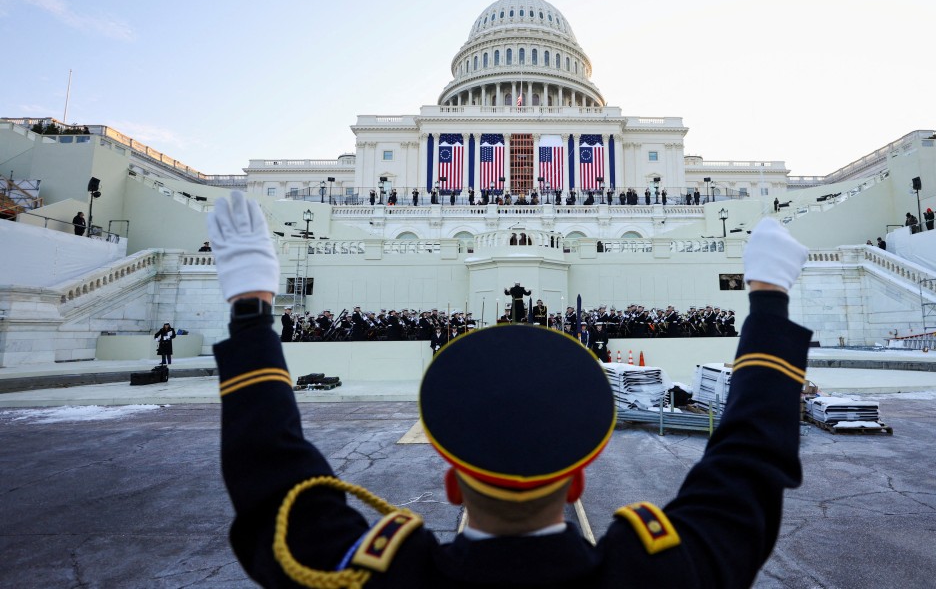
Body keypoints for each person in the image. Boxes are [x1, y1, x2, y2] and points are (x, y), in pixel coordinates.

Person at [206, 190, 811, 588]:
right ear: (577, 479)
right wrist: (769, 302)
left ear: (451, 483)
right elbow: (750, 465)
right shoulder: (661, 573)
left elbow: (272, 485)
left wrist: (251, 307)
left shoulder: (372, 576)